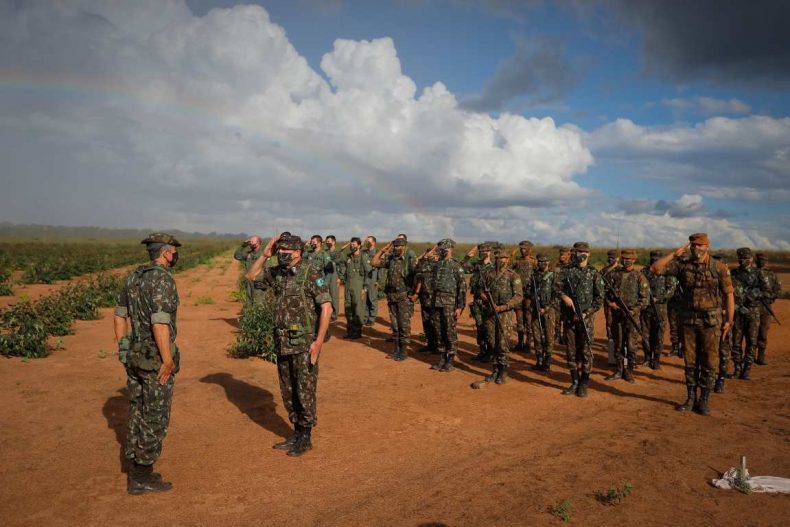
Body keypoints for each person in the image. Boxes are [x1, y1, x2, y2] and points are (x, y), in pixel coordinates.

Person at [247, 235, 332, 457]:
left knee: (304, 391)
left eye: (285, 251)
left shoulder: (310, 273)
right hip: (283, 342)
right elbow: (251, 276)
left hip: (304, 344)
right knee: (288, 390)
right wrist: (265, 255)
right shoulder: (277, 273)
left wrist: (318, 342)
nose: (281, 254)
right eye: (280, 251)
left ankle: (305, 437)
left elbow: (326, 307)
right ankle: (296, 432)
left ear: (297, 253)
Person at [114, 233, 181, 494]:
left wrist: (123, 348)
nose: (175, 255)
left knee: (137, 409)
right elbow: (160, 323)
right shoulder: (163, 279)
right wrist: (167, 360)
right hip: (154, 358)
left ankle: (135, 465)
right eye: (173, 251)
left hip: (134, 354)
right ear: (165, 253)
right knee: (155, 416)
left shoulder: (133, 277)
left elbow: (120, 314)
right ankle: (142, 476)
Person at [650, 233, 734, 416]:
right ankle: (690, 398)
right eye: (693, 245)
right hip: (688, 321)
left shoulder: (718, 267)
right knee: (690, 361)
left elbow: (729, 294)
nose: (696, 249)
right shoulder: (683, 265)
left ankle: (704, 399)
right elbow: (655, 269)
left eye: (700, 245)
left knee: (709, 361)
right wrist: (674, 254)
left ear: (707, 246)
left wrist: (729, 320)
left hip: (711, 322)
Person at [554, 241, 605, 398]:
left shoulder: (594, 273)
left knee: (586, 351)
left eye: (584, 252)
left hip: (585, 319)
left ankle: (584, 383)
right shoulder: (566, 271)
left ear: (589, 254)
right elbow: (556, 287)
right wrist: (564, 297)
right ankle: (574, 381)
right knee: (571, 350)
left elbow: (599, 298)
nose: (581, 254)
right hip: (569, 318)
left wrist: (586, 313)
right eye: (578, 251)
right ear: (574, 253)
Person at [603, 250, 649, 383]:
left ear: (634, 260)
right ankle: (619, 370)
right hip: (617, 315)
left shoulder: (639, 276)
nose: (626, 261)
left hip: (632, 317)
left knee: (631, 345)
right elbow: (604, 292)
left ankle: (629, 372)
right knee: (618, 344)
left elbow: (645, 299)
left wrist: (634, 310)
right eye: (624, 258)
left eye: (629, 259)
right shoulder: (613, 274)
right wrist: (610, 303)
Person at [479, 245, 523, 384]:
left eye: (505, 258)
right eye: (499, 258)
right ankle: (495, 370)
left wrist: (503, 307)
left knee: (503, 343)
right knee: (492, 341)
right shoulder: (489, 274)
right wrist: (486, 299)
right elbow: (480, 290)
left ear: (508, 260)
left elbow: (518, 296)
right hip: (490, 312)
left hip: (505, 313)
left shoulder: (513, 275)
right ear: (495, 259)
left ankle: (503, 371)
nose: (502, 260)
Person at [372, 238, 416, 361]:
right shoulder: (391, 259)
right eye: (395, 246)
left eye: (398, 246)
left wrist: (415, 293)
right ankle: (396, 349)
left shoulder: (409, 260)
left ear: (404, 247)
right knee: (395, 324)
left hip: (403, 297)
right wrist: (382, 251)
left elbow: (418, 276)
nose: (396, 248)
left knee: (403, 325)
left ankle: (404, 351)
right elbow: (374, 263)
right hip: (391, 296)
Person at [730, 247, 770, 381]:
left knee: (751, 342)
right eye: (740, 258)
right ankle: (737, 369)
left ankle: (747, 370)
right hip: (738, 311)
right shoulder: (733, 273)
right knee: (736, 342)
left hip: (753, 312)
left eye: (745, 258)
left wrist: (754, 294)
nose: (742, 261)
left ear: (751, 259)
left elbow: (767, 291)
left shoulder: (758, 273)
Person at [430, 239, 467, 372]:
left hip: (450, 303)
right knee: (438, 330)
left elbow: (462, 287)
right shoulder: (437, 265)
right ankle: (442, 357)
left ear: (451, 249)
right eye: (442, 248)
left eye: (446, 248)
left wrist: (460, 306)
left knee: (449, 330)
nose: (444, 250)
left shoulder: (456, 266)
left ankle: (450, 359)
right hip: (436, 302)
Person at [640, 250, 676, 370]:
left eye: (657, 259)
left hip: (660, 309)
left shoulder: (667, 273)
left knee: (658, 334)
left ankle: (656, 359)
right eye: (653, 258)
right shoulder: (644, 272)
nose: (654, 260)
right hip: (646, 308)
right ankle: (647, 357)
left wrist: (658, 298)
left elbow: (671, 290)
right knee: (645, 334)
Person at [463, 242, 495, 361]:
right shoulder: (476, 265)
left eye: (485, 251)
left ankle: (491, 351)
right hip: (477, 300)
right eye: (481, 251)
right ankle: (482, 350)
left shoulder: (494, 267)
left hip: (489, 301)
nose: (482, 253)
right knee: (479, 326)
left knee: (489, 327)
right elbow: (462, 267)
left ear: (489, 252)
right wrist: (468, 256)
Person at [527, 253, 558, 372]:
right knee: (537, 336)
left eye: (545, 261)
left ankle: (547, 361)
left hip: (549, 311)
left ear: (548, 262)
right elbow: (528, 290)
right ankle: (539, 359)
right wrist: (533, 297)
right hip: (536, 310)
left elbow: (556, 295)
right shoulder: (534, 276)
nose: (543, 263)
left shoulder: (553, 276)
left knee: (549, 336)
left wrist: (546, 308)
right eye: (540, 261)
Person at [339, 238, 371, 339]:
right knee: (348, 308)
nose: (352, 246)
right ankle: (350, 331)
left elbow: (368, 273)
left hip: (358, 285)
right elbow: (339, 262)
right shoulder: (348, 256)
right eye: (351, 244)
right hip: (348, 285)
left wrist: (364, 288)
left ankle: (357, 332)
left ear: (359, 245)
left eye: (354, 244)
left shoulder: (363, 256)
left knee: (357, 309)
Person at [755, 252, 782, 365]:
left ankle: (761, 356)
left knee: (763, 333)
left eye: (763, 260)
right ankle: (749, 357)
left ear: (766, 262)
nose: (761, 262)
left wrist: (770, 297)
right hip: (753, 307)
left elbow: (778, 290)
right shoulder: (752, 273)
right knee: (751, 333)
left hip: (766, 308)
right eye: (759, 260)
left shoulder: (771, 275)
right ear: (756, 261)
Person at [411, 246, 439, 353]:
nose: (432, 256)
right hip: (424, 297)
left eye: (433, 254)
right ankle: (430, 344)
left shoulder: (439, 265)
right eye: (430, 254)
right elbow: (417, 273)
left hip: (435, 299)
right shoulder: (424, 265)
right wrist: (417, 293)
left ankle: (438, 345)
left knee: (435, 322)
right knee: (426, 321)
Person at [511, 240, 536, 353]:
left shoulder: (534, 262)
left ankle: (528, 344)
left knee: (529, 320)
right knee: (519, 320)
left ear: (530, 249)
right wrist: (511, 255)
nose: (522, 250)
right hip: (518, 295)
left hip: (529, 296)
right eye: (521, 248)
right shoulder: (517, 261)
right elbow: (506, 268)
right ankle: (520, 343)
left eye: (525, 248)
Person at [600, 249, 620, 364]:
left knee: (621, 329)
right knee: (610, 326)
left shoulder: (622, 270)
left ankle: (621, 357)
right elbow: (600, 289)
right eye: (609, 257)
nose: (610, 259)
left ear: (617, 258)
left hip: (621, 305)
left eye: (613, 257)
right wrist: (608, 302)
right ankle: (612, 357)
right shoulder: (604, 271)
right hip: (608, 304)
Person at [233, 235, 266, 304]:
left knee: (259, 302)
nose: (250, 243)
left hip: (259, 282)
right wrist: (243, 245)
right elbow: (237, 256)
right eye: (250, 241)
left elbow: (268, 268)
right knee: (249, 301)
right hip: (249, 282)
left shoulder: (263, 255)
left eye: (252, 241)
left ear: (258, 243)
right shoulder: (248, 254)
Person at [362, 235, 379, 325]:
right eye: (366, 241)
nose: (367, 242)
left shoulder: (377, 252)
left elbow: (381, 268)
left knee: (372, 299)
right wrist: (362, 243)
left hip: (373, 278)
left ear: (374, 242)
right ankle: (365, 317)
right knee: (364, 299)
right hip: (364, 278)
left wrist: (378, 280)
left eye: (369, 241)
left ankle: (372, 318)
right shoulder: (363, 252)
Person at [324, 235, 341, 321]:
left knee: (334, 295)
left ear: (334, 242)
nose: (327, 243)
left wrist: (340, 277)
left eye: (329, 241)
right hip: (325, 274)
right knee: (325, 295)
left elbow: (342, 265)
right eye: (326, 241)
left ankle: (334, 315)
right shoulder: (325, 252)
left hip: (334, 275)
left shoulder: (338, 252)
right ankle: (326, 313)